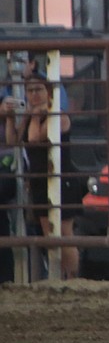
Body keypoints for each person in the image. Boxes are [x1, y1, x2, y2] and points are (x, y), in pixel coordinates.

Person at [2, 73, 83, 279]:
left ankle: (72, 278)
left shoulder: (58, 115)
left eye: (38, 90)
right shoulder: (31, 115)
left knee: (64, 234)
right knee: (49, 234)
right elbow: (14, 140)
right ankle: (57, 276)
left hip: (60, 179)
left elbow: (35, 137)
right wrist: (10, 117)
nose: (34, 95)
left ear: (49, 92)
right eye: (30, 91)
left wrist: (36, 115)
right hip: (40, 181)